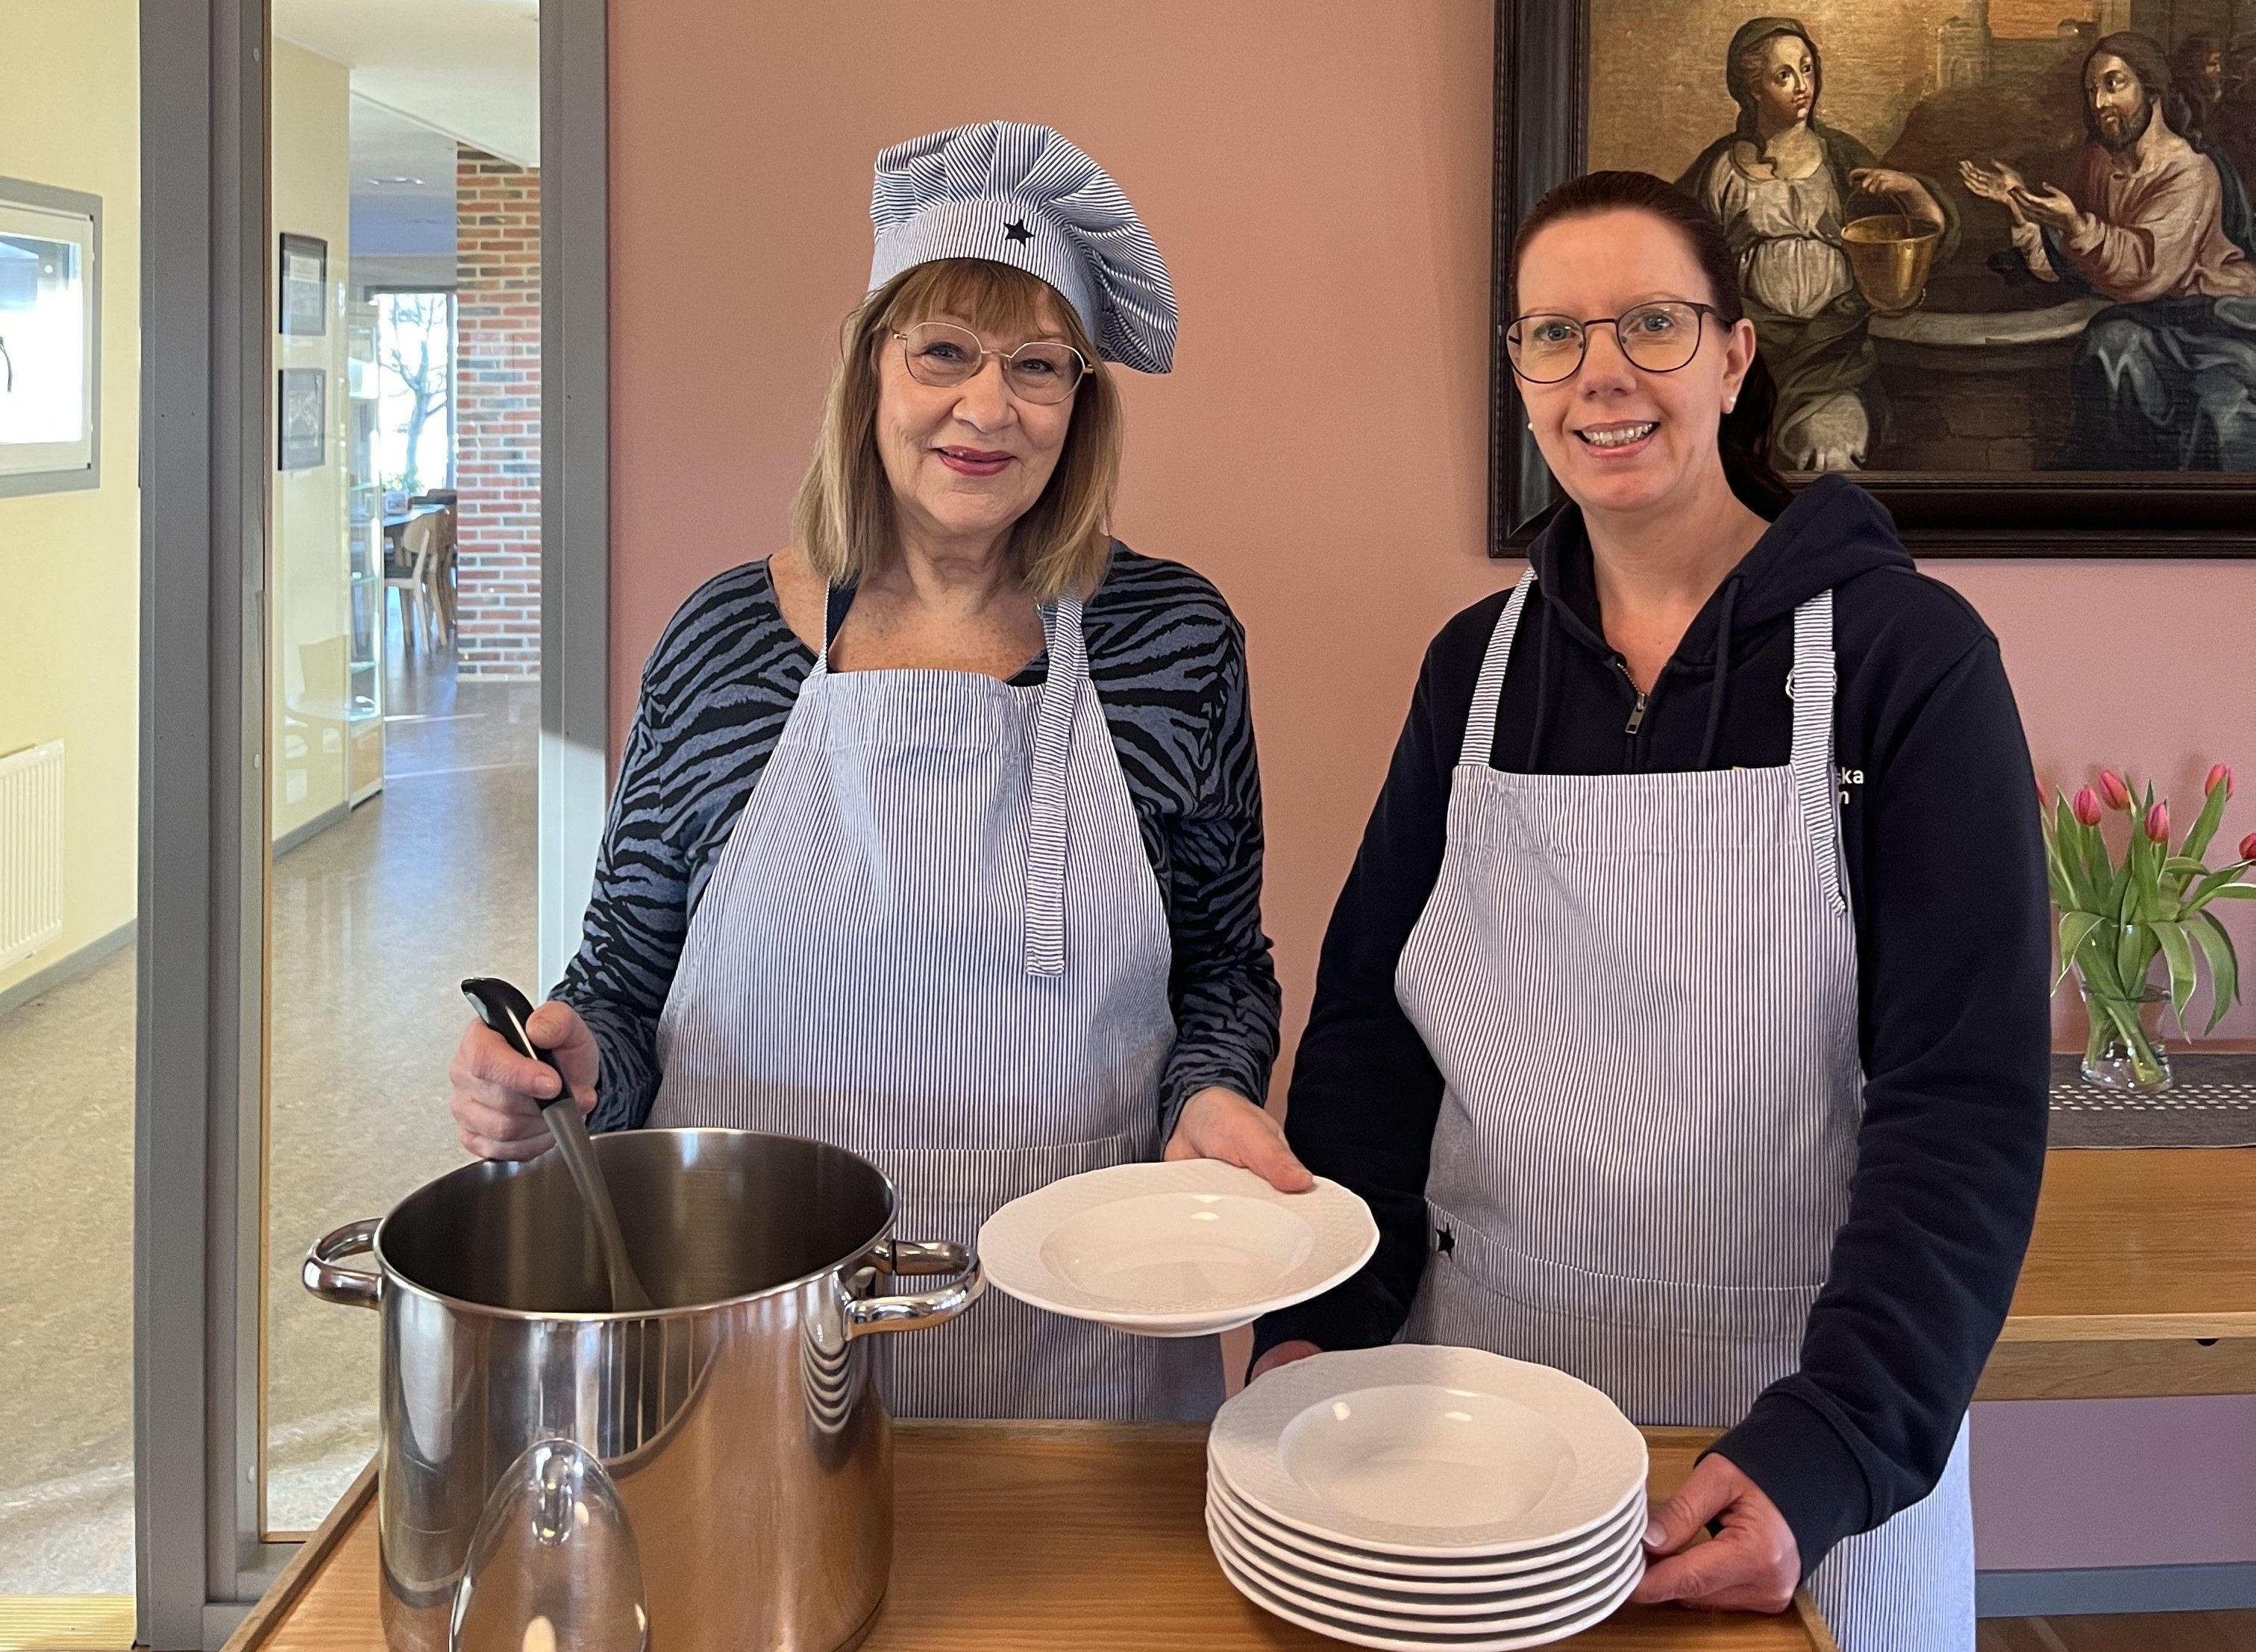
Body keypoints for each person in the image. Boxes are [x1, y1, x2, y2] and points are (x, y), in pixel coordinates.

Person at [1248, 171, 2049, 1650]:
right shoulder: (1472, 674)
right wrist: (1320, 1328)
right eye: (1553, 334)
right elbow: (1374, 1026)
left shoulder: (1909, 661)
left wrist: (1829, 1450)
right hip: (1472, 1422)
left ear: (1737, 356)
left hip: (1787, 1443)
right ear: (1519, 373)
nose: (1599, 370)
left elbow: (1968, 1108)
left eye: (1651, 323)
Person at [445, 121, 1294, 1422]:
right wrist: (560, 1069)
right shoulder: (724, 641)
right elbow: (620, 979)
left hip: (1082, 1351)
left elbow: (1223, 969)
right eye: (942, 351)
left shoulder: (1167, 641)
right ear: (869, 373)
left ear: (1079, 403)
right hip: (751, 1336)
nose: (986, 406)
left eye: (1035, 366)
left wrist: (1217, 1094)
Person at [1675, 16, 1958, 471]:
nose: (1802, 85)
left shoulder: (1841, 157)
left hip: (1831, 349)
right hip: (1748, 351)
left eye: (1807, 69)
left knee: (1830, 451)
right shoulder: (1720, 169)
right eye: (1783, 76)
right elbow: (1673, 255)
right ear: (1752, 89)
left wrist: (1908, 190)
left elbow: (1920, 241)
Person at [1962, 31, 2256, 468]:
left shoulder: (2191, 172)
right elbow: (2071, 264)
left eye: (2113, 85)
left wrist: (2076, 225)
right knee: (2111, 344)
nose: (2100, 103)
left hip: (2212, 323)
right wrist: (2020, 206)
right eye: (2092, 90)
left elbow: (2142, 269)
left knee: (2219, 414)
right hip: (2149, 321)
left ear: (2152, 88)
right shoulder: (2098, 162)